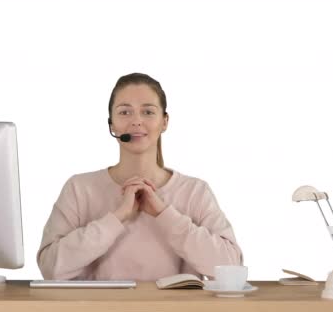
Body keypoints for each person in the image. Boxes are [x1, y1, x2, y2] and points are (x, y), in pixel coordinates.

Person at [37, 73, 242, 281]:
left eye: (148, 112)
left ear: (165, 122)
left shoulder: (195, 191)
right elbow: (50, 268)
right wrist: (116, 218)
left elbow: (231, 267)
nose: (136, 121)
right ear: (111, 125)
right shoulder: (79, 188)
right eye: (125, 112)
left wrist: (164, 215)